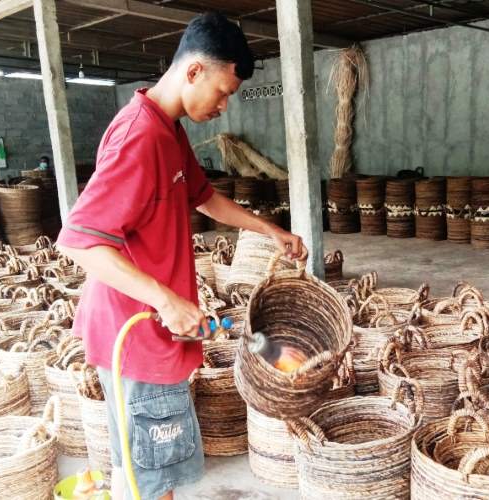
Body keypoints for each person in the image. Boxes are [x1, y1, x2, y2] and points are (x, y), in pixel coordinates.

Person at [57, 12, 307, 500]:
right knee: (153, 480)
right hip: (137, 337)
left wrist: (267, 229)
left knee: (145, 470)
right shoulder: (140, 136)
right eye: (223, 92)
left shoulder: (169, 131)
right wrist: (166, 301)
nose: (223, 106)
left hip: (154, 334)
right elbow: (79, 240)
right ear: (193, 71)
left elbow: (204, 196)